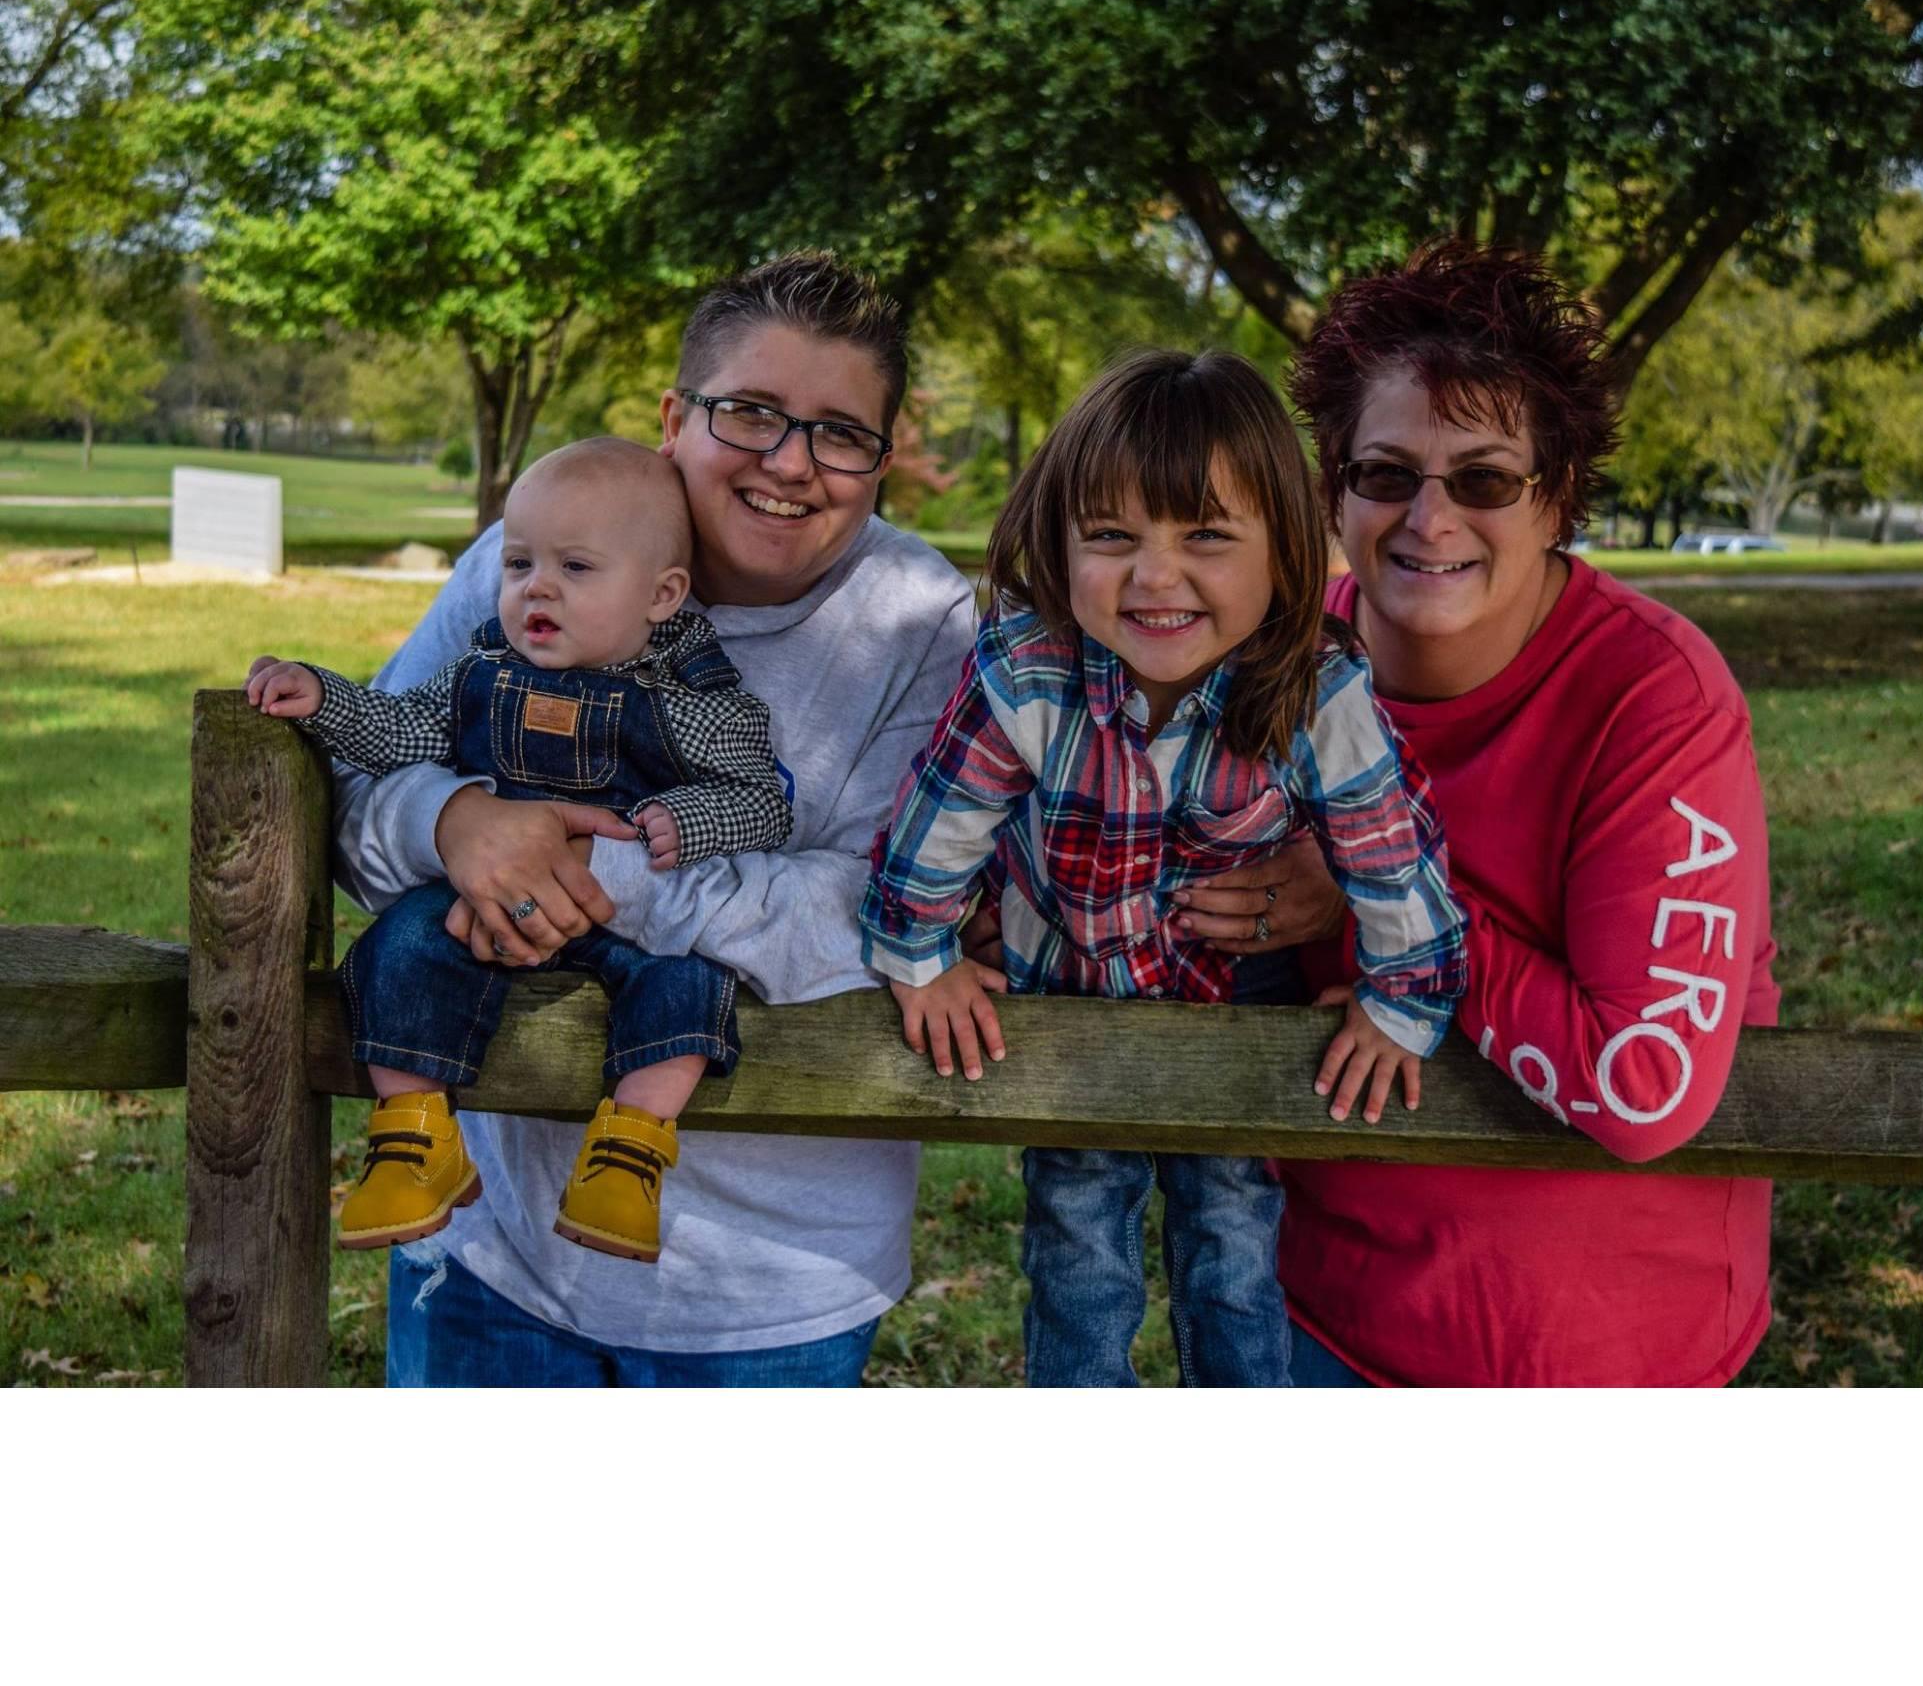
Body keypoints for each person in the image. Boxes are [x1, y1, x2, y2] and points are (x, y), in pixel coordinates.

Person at [332, 253, 976, 1385]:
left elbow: (880, 901)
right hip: (492, 1254)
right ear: (675, 415)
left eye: (839, 431)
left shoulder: (919, 620)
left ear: (880, 458)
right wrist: (454, 822)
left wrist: (579, 863)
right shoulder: (530, 554)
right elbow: (355, 778)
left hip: (771, 1288)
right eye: (750, 413)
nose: (789, 462)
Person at [1172, 240, 1780, 1387]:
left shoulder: (1652, 696)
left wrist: (1366, 890)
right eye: (1386, 473)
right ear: (1330, 491)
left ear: (1556, 498)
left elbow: (1640, 1084)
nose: (1428, 518)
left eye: (1485, 478)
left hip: (1607, 1348)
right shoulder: (1273, 663)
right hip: (1311, 1322)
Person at [861, 349, 1467, 1386]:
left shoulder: (1315, 687)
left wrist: (1399, 999)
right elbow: (934, 832)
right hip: (1068, 1002)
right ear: (1059, 540)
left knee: (1231, 1239)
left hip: (1236, 1006)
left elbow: (1393, 856)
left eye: (1206, 537)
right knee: (1077, 1244)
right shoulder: (1026, 671)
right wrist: (922, 952)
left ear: (1283, 549)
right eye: (1110, 536)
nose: (1153, 576)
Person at [246, 437, 791, 1263]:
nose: (536, 586)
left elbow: (763, 800)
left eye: (576, 568)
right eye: (517, 564)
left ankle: (632, 1149)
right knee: (399, 947)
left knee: (690, 980)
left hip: (628, 910)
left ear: (661, 595)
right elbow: (397, 735)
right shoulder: (478, 678)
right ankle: (415, 1136)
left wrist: (694, 819)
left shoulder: (690, 709)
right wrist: (325, 698)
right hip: (486, 899)